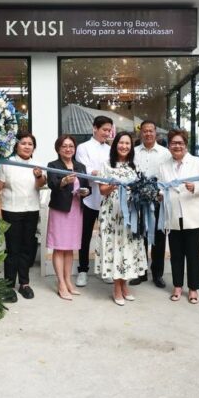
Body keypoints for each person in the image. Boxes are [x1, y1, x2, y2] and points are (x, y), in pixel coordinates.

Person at [158, 129, 199, 303]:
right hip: (173, 215)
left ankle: (193, 289)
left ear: (186, 145)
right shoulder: (163, 166)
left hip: (193, 216)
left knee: (193, 254)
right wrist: (159, 194)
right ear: (169, 146)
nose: (177, 146)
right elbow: (161, 187)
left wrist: (195, 187)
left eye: (180, 143)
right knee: (176, 254)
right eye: (173, 143)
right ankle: (177, 286)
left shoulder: (197, 162)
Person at [0, 131, 46, 300]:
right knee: (12, 250)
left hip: (31, 210)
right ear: (16, 145)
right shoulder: (7, 164)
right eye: (23, 143)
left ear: (34, 147)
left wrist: (39, 175)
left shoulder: (37, 164)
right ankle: (9, 285)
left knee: (27, 249)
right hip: (11, 211)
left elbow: (40, 185)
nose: (27, 146)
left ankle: (24, 283)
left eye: (30, 144)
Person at [98, 132, 147, 305]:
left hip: (131, 213)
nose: (124, 146)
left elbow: (141, 188)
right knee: (115, 248)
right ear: (115, 145)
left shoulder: (136, 166)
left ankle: (124, 285)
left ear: (131, 147)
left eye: (127, 143)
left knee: (128, 248)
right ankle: (116, 288)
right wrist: (113, 186)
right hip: (112, 213)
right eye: (121, 143)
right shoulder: (106, 165)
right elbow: (102, 190)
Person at [46, 135, 89, 300]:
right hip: (60, 210)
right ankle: (61, 283)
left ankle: (69, 281)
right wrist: (63, 181)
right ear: (58, 149)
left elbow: (87, 186)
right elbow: (52, 184)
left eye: (71, 146)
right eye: (64, 146)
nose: (68, 149)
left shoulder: (80, 166)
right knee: (59, 247)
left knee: (70, 247)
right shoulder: (53, 165)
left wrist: (85, 191)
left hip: (76, 209)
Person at [74, 115, 113, 287]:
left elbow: (113, 170)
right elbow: (84, 170)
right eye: (104, 129)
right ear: (95, 128)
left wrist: (101, 174)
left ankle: (105, 269)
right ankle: (83, 270)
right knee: (85, 236)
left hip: (107, 199)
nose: (107, 133)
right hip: (89, 199)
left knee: (106, 236)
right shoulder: (83, 147)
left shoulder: (110, 149)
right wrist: (101, 174)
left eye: (109, 130)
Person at [133, 120, 169, 288]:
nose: (148, 133)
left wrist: (160, 194)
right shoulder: (134, 152)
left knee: (158, 239)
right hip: (137, 201)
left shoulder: (165, 153)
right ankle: (140, 273)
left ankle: (157, 274)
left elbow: (167, 176)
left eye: (151, 131)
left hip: (158, 200)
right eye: (145, 131)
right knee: (139, 237)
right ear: (141, 133)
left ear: (156, 133)